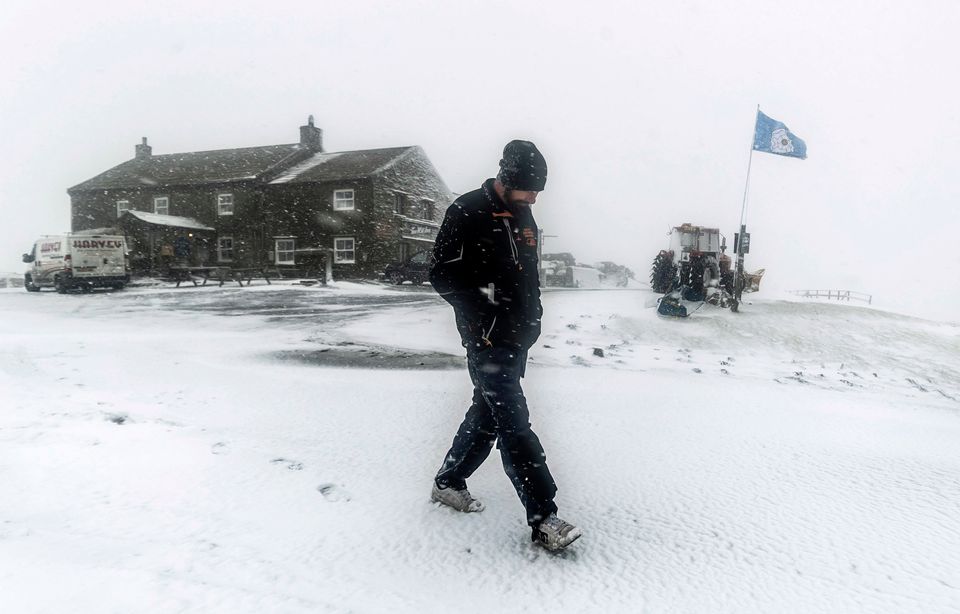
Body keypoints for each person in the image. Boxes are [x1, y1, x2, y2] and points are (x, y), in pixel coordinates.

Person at [428, 140, 582, 552]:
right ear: (508, 179)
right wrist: (485, 305)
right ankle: (544, 518)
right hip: (486, 337)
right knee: (514, 423)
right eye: (530, 189)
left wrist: (533, 316)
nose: (535, 197)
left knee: (489, 413)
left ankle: (448, 481)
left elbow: (527, 273)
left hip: (518, 336)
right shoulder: (467, 210)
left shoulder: (525, 215)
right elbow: (440, 274)